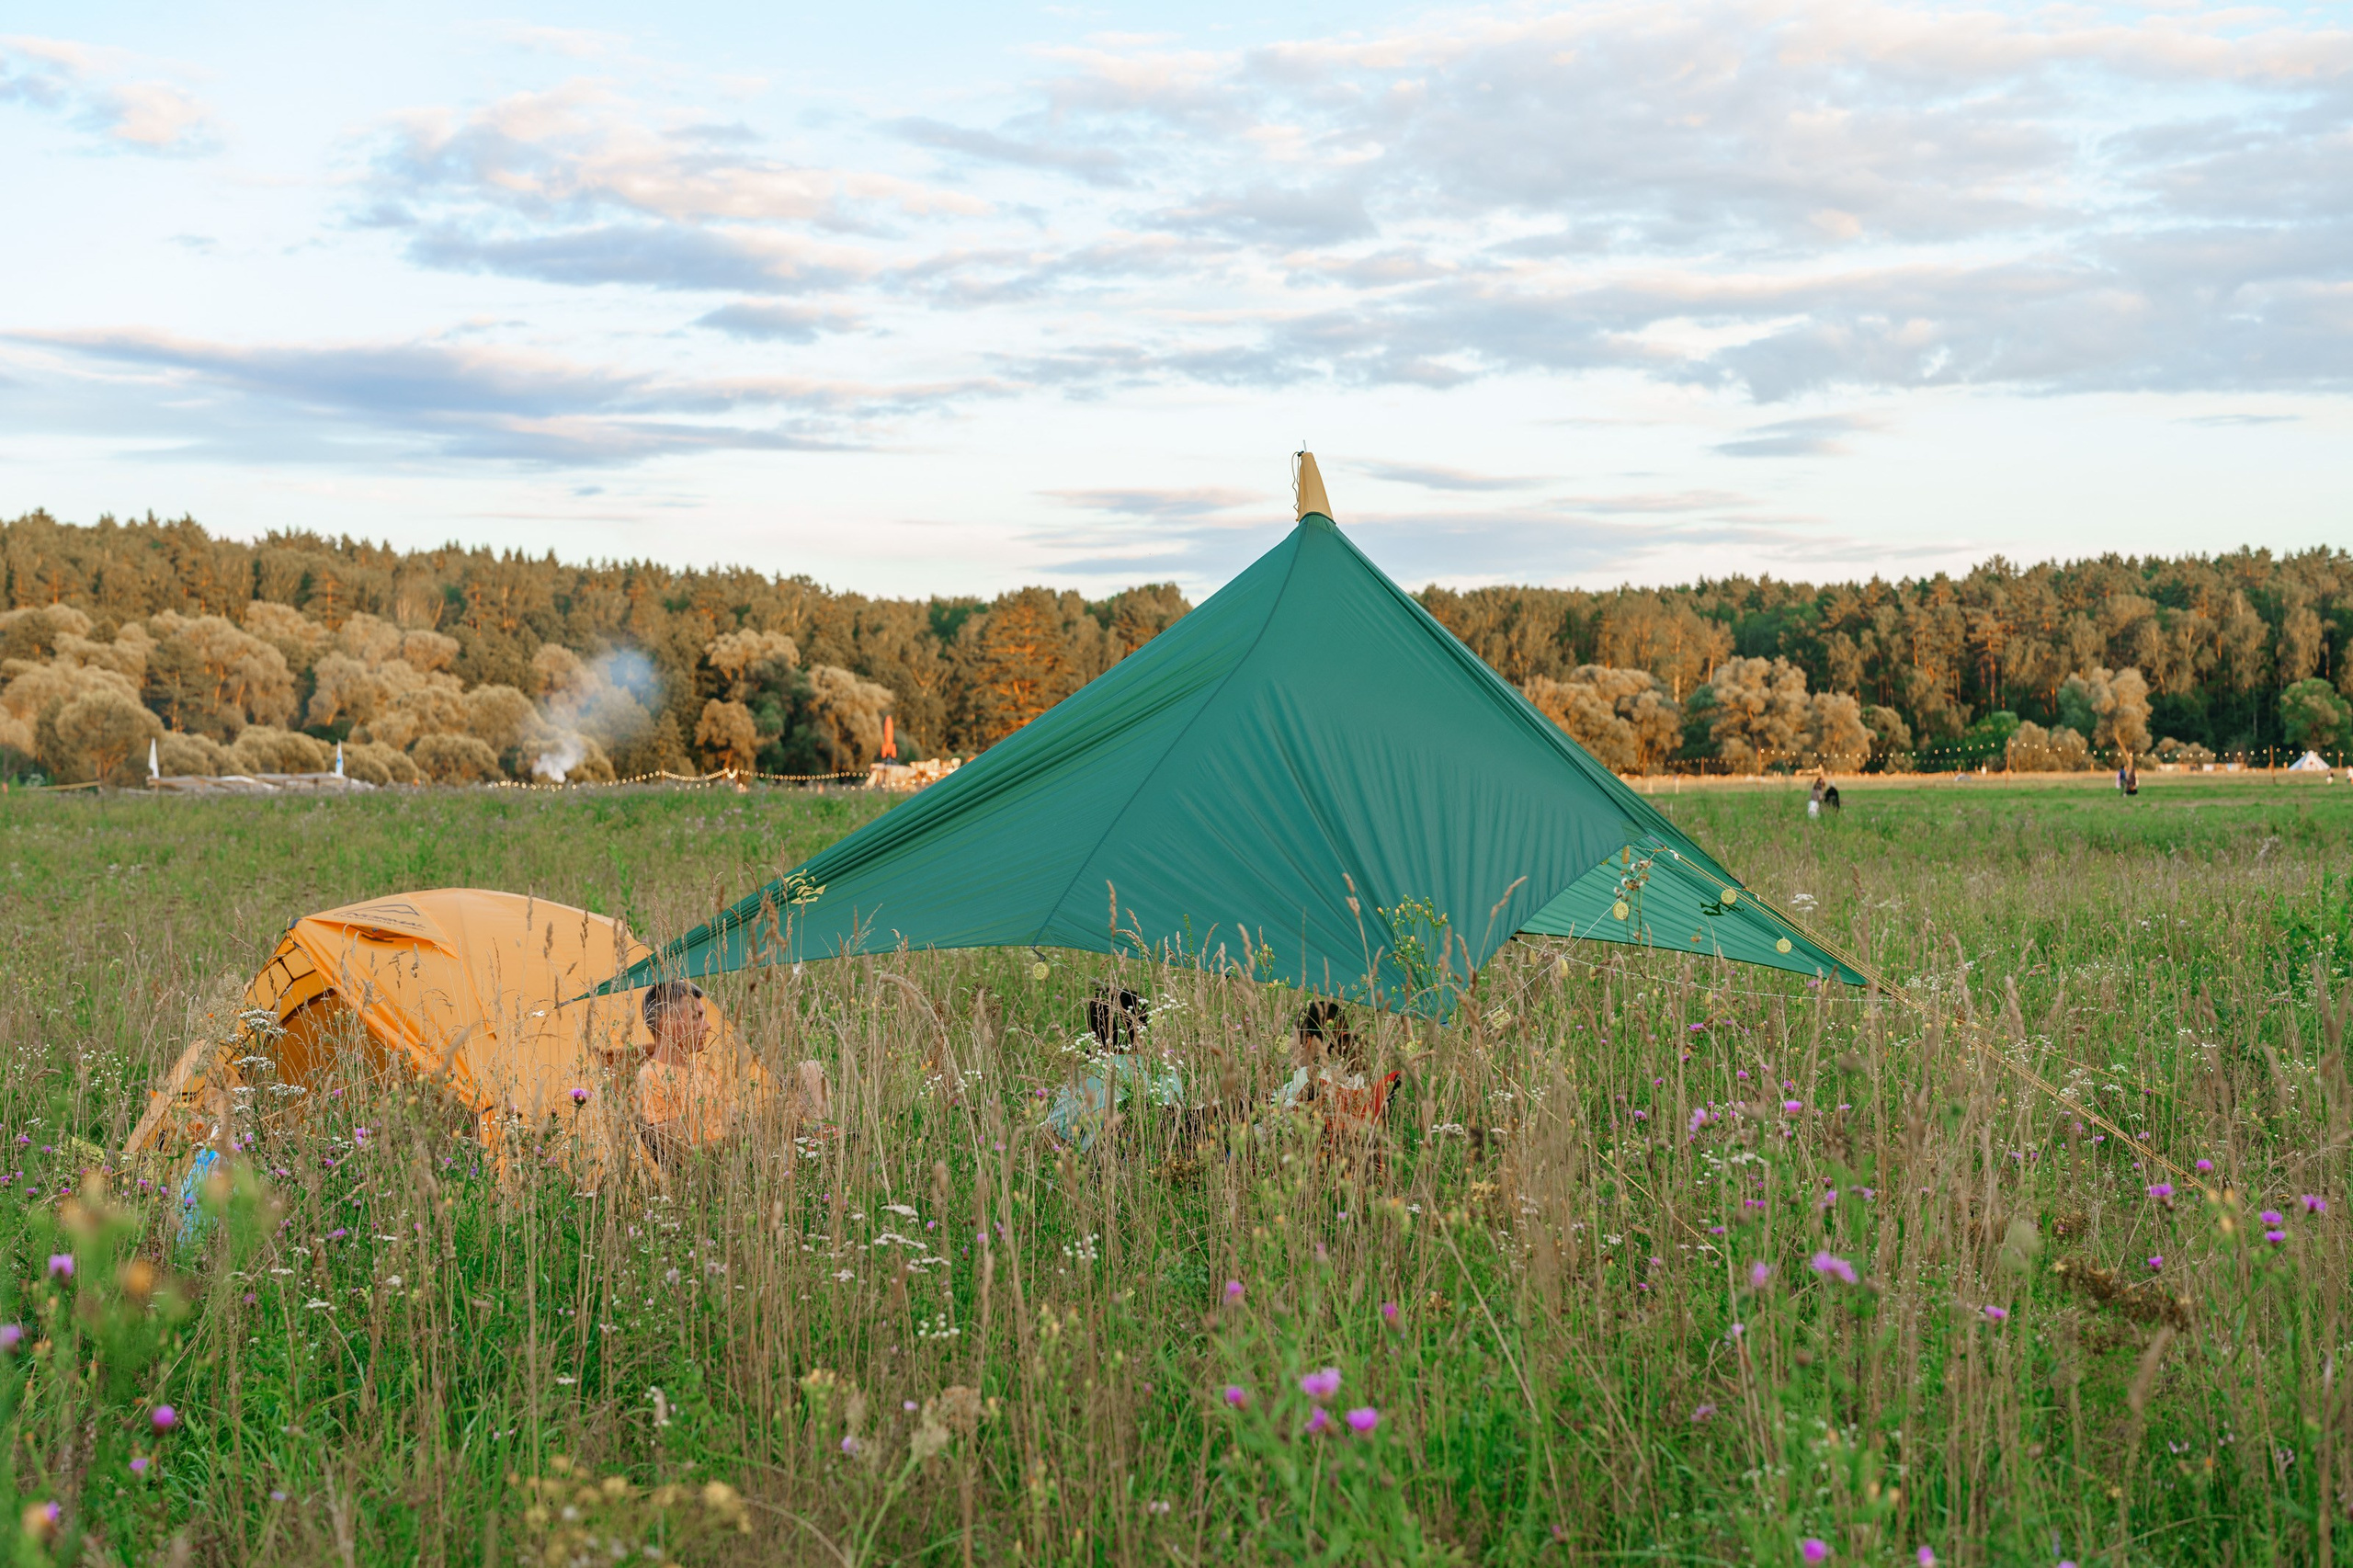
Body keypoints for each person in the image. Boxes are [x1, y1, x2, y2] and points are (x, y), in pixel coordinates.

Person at [637, 979, 831, 1165]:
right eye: (697, 1017)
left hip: (749, 1148)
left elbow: (735, 1120)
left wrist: (775, 1117)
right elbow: (681, 1153)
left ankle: (820, 1143)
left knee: (810, 1071)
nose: (707, 1026)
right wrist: (757, 1132)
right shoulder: (652, 1077)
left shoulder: (701, 1068)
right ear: (668, 1023)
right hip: (725, 1169)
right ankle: (821, 1148)